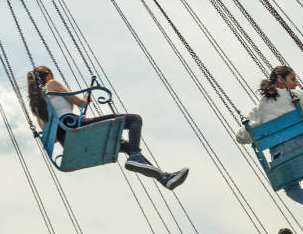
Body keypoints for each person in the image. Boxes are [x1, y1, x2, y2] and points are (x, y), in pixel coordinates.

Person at [27, 66, 188, 190]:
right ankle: (137, 156)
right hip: (76, 126)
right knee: (134, 120)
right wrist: (85, 99)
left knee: (126, 146)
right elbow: (81, 103)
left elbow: (53, 138)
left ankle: (164, 178)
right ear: (48, 75)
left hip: (67, 142)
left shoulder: (36, 106)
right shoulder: (52, 84)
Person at [236, 66, 303, 234]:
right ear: (280, 79)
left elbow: (243, 137)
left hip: (281, 154)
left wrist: (246, 128)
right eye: (293, 79)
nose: (296, 83)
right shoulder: (296, 95)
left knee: (290, 187)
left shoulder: (261, 106)